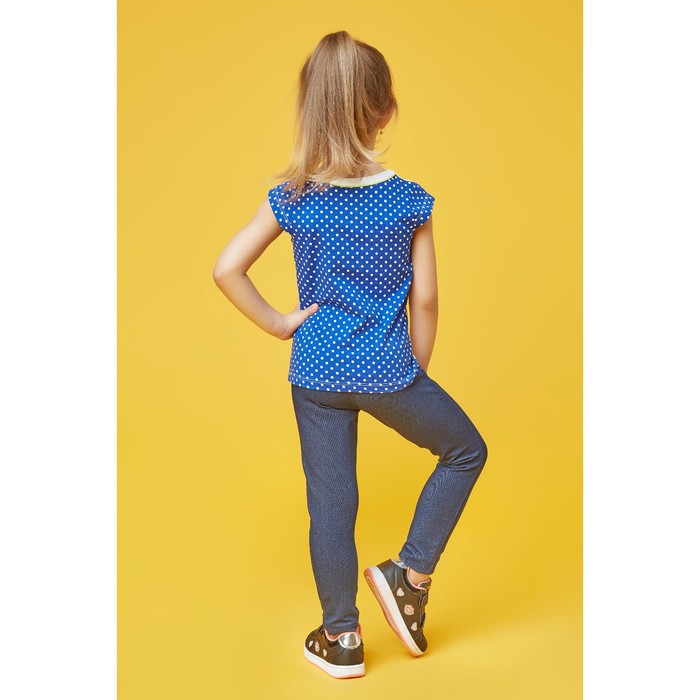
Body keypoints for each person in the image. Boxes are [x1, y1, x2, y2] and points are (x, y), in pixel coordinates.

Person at [212, 30, 488, 680]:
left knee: (331, 507)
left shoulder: (294, 197)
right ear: (387, 109)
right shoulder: (409, 200)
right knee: (465, 452)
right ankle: (408, 578)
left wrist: (281, 324)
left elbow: (227, 268)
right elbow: (427, 301)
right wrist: (412, 370)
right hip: (388, 371)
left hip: (315, 373)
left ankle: (341, 639)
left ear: (309, 108)